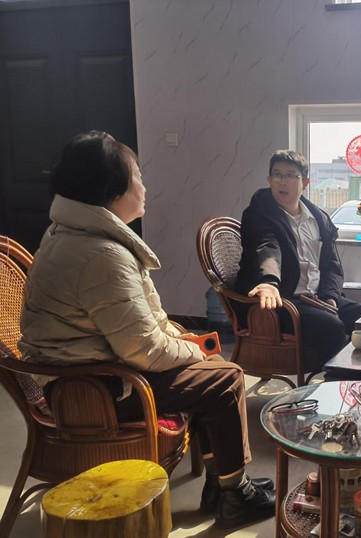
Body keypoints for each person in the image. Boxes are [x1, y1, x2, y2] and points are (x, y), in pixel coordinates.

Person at [19, 131, 275, 529]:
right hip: (93, 392)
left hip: (96, 374)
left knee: (213, 368)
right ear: (112, 189)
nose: (144, 186)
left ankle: (223, 484)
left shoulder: (74, 235)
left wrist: (179, 339)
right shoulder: (99, 254)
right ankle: (234, 493)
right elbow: (145, 350)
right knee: (224, 377)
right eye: (137, 176)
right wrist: (193, 350)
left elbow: (138, 325)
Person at [235, 150, 361, 370]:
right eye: (277, 175)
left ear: (305, 182)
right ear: (269, 180)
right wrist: (269, 282)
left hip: (318, 297)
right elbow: (266, 247)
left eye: (290, 175)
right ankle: (332, 383)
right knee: (332, 328)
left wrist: (330, 298)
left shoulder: (319, 219)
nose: (282, 181)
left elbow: (332, 267)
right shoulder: (258, 213)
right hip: (282, 300)